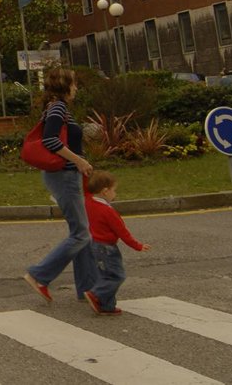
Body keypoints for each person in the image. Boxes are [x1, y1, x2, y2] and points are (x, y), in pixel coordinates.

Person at [23, 67, 95, 303]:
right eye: (74, 83)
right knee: (81, 233)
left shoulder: (57, 107)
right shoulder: (58, 108)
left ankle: (89, 289)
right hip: (64, 175)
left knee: (82, 233)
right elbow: (50, 140)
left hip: (66, 175)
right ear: (65, 86)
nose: (76, 88)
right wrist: (79, 160)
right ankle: (39, 275)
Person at [83, 170, 150, 316]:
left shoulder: (89, 201)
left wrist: (85, 173)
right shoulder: (108, 211)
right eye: (114, 190)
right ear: (105, 191)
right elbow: (122, 232)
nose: (115, 194)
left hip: (95, 245)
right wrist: (137, 246)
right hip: (108, 248)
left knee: (105, 275)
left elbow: (86, 190)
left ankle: (107, 306)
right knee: (117, 276)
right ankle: (96, 294)